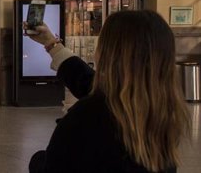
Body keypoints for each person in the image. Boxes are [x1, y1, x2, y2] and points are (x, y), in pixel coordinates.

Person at [26, 10, 189, 173]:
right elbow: (88, 82)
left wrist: (38, 160)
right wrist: (52, 44)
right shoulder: (165, 113)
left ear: (108, 55)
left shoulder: (87, 116)